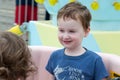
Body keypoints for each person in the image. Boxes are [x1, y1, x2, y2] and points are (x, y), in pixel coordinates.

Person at [46, 2, 109, 80]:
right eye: (61, 30)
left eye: (72, 31)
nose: (65, 36)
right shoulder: (55, 56)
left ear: (86, 31)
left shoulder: (94, 60)